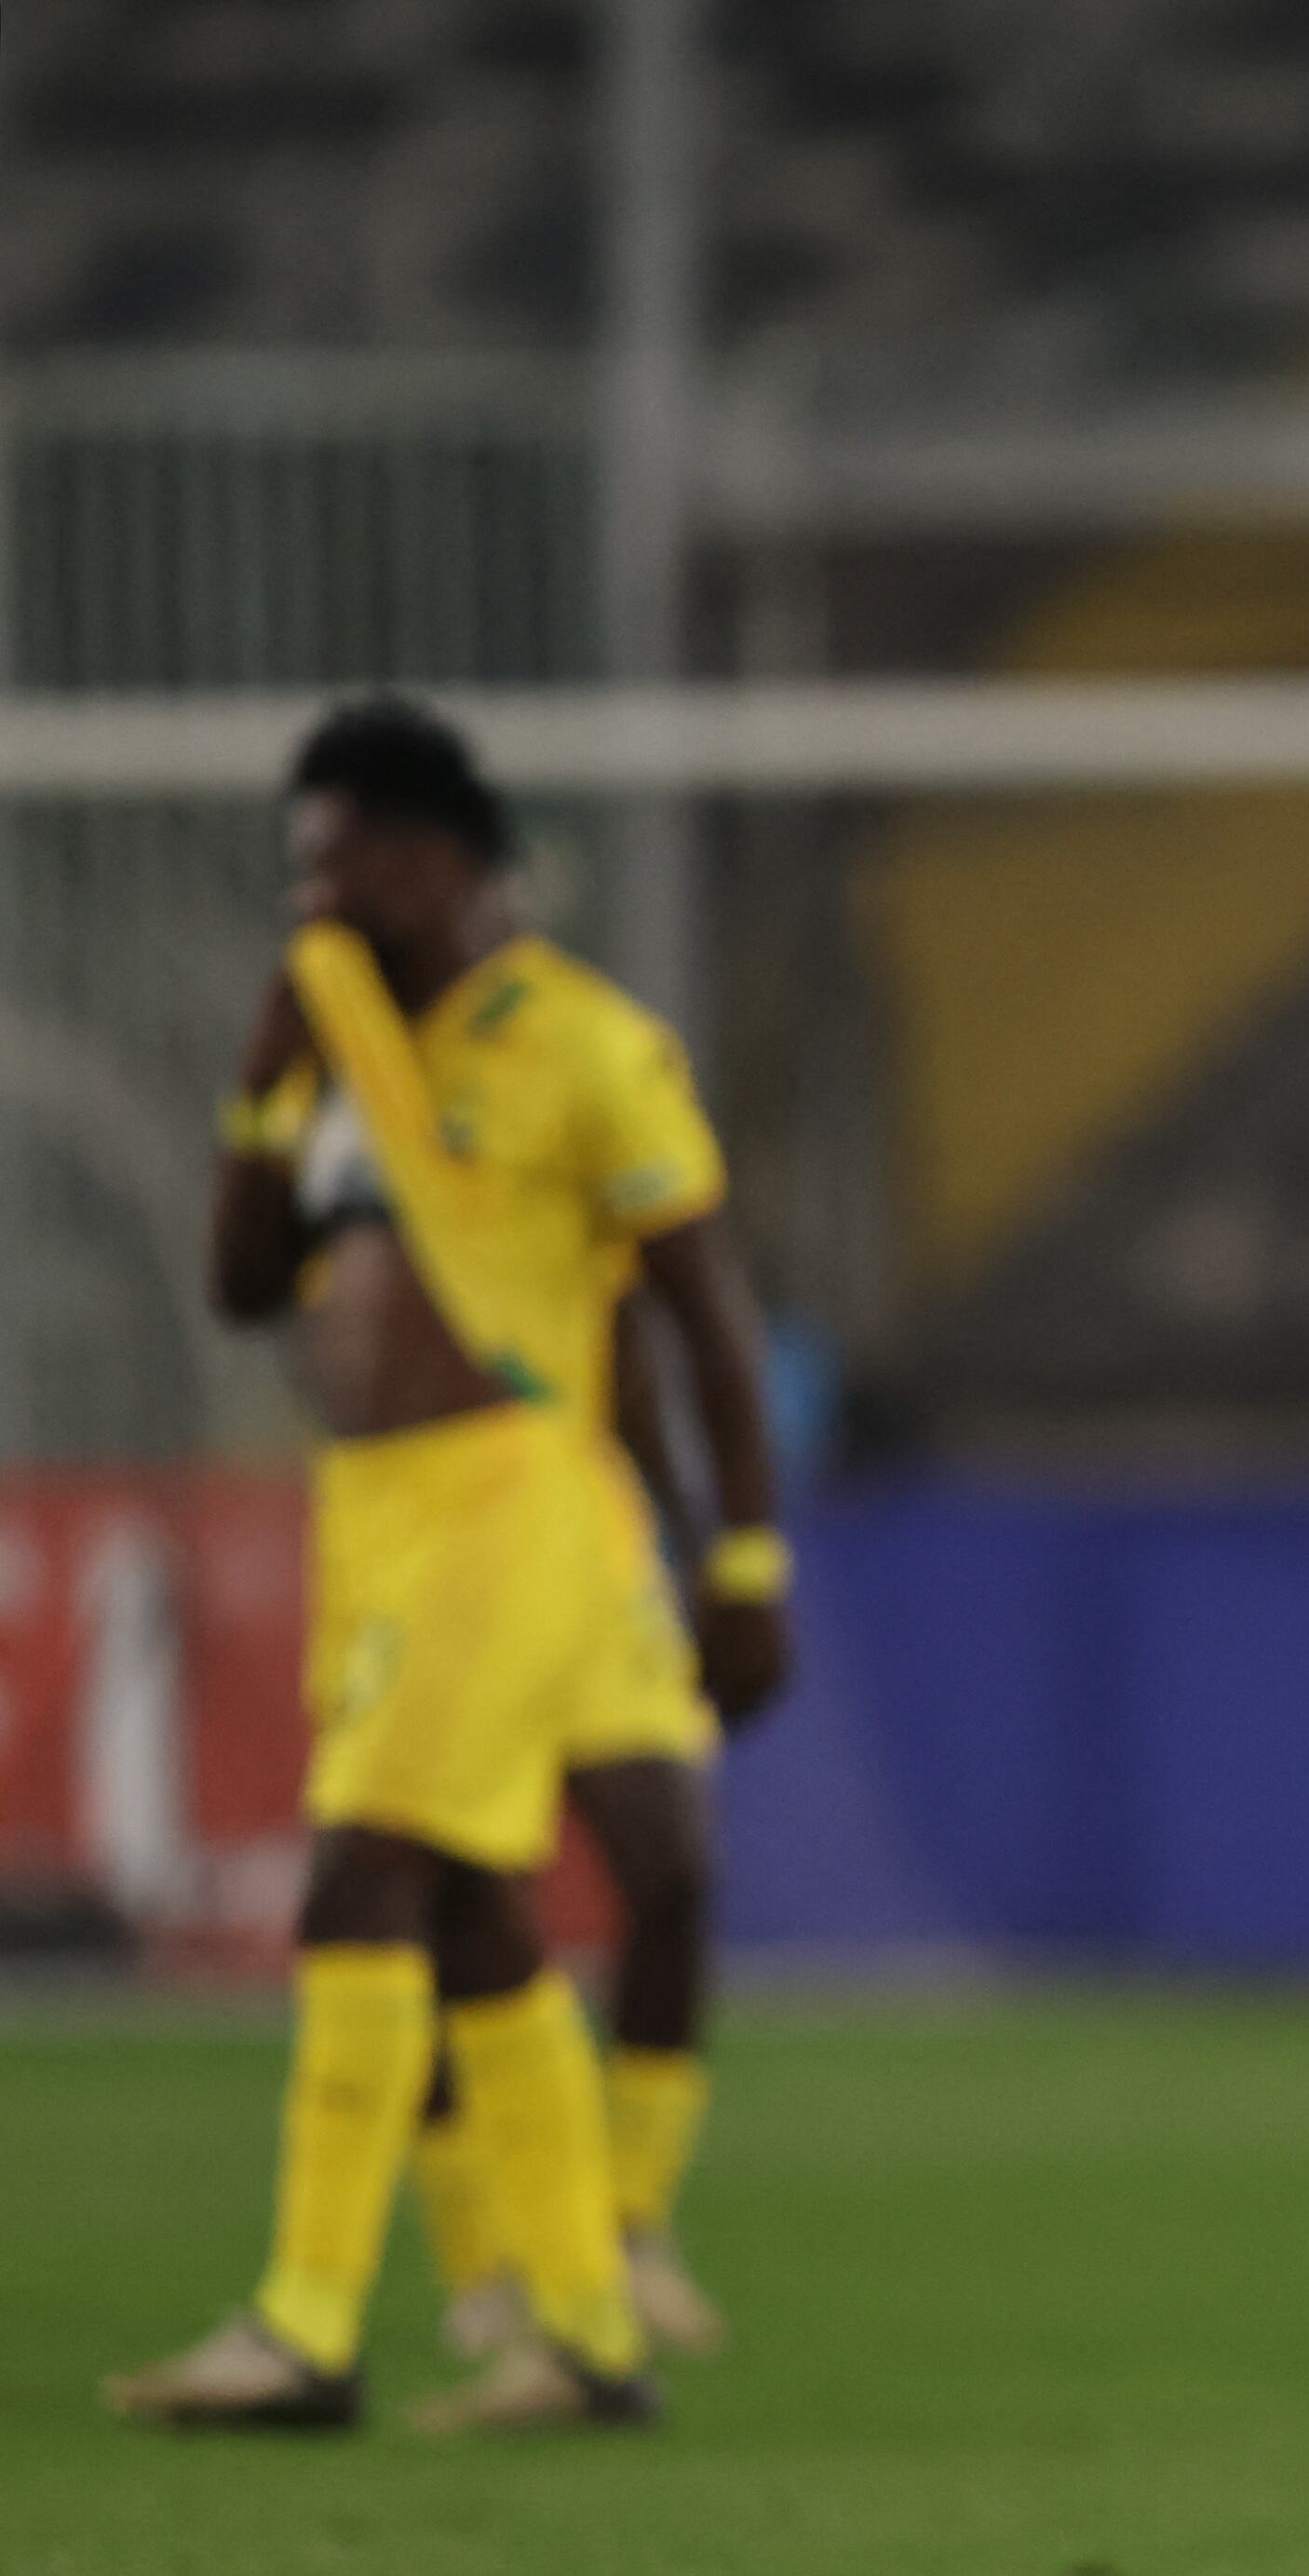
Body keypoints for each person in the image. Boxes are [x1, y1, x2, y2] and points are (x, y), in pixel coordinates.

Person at [105, 696, 794, 2433]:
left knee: (366, 1879)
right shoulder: (344, 1043)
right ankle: (583, 2329)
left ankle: (308, 2322)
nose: (312, 898)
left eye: (332, 861)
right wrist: (263, 1086)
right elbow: (244, 1289)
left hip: (515, 1494)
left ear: (432, 860)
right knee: (477, 1907)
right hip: (375, 1508)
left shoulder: (585, 1045)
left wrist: (743, 1554)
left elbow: (706, 1315)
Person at [421, 1289, 744, 2367]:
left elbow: (632, 1332)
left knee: (674, 1873)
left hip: (595, 1552)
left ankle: (632, 2222)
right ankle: (484, 2258)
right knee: (447, 1893)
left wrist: (697, 1541)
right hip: (448, 1546)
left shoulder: (589, 1194)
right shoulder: (394, 1188)